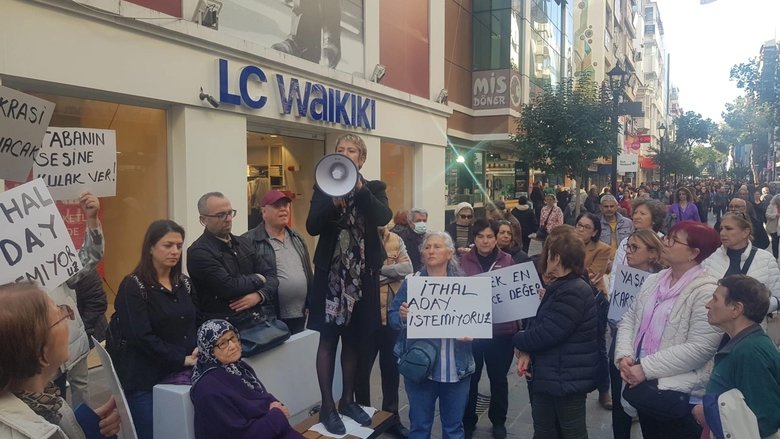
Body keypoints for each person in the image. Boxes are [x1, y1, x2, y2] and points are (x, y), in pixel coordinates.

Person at [306, 133, 393, 434]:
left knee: (354, 340)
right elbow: (312, 226)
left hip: (361, 278)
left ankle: (347, 400)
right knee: (328, 340)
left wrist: (359, 188)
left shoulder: (374, 188)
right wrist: (332, 204)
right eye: (340, 149)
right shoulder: (323, 187)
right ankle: (327, 405)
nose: (345, 153)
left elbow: (382, 216)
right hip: (332, 278)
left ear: (361, 159)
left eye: (351, 150)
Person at [615, 221, 722, 439]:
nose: (665, 243)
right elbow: (630, 319)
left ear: (693, 253)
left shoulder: (706, 291)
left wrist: (645, 368)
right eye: (667, 237)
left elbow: (700, 348)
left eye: (673, 240)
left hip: (678, 393)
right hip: (645, 386)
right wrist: (625, 356)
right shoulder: (654, 280)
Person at [107, 220, 198, 439]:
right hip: (145, 381)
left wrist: (197, 348)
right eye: (168, 245)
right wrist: (181, 358)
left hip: (182, 377)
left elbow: (195, 320)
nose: (175, 251)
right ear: (150, 247)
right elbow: (140, 336)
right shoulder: (133, 286)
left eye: (179, 246)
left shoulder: (184, 283)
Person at [0, 282, 120, 439]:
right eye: (59, 314)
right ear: (42, 353)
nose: (68, 317)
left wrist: (82, 428)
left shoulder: (46, 398)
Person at [513, 225, 599, 438]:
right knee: (545, 429)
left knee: (572, 431)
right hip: (553, 374)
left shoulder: (573, 291)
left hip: (566, 378)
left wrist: (517, 339)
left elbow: (547, 333)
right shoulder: (563, 286)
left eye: (548, 253)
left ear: (557, 258)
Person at [388, 231, 475, 439]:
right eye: (427, 247)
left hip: (456, 368)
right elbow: (392, 316)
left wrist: (472, 333)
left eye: (437, 246)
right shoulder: (412, 283)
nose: (431, 251)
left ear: (449, 253)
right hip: (421, 369)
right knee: (419, 427)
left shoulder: (464, 285)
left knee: (454, 428)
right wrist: (402, 316)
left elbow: (476, 320)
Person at [693, 276, 780, 438]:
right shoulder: (745, 344)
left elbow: (765, 420)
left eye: (715, 299)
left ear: (736, 309)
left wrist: (711, 414)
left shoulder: (750, 351)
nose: (708, 305)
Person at [190, 319, 305, 439]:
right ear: (209, 350)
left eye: (233, 338)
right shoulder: (208, 390)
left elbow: (261, 398)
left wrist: (275, 407)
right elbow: (238, 434)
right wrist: (276, 414)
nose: (233, 346)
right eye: (222, 343)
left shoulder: (238, 368)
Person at [460, 219, 518, 439]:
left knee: (499, 379)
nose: (485, 241)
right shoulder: (462, 261)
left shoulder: (508, 260)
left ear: (496, 238)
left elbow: (516, 292)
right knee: (471, 378)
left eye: (489, 236)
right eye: (480, 236)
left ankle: (498, 421)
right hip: (472, 331)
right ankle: (468, 420)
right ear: (474, 239)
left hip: (501, 332)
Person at [187, 192, 279, 327]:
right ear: (203, 220)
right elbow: (229, 287)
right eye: (220, 215)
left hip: (258, 320)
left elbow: (272, 276)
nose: (228, 219)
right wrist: (258, 278)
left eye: (230, 213)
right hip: (226, 328)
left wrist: (260, 295)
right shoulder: (199, 252)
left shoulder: (244, 243)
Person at [355, 226, 413, 438]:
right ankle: (364, 417)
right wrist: (391, 273)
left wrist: (377, 271)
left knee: (391, 371)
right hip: (366, 319)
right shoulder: (357, 239)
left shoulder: (395, 239)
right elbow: (358, 277)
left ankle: (391, 418)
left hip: (390, 317)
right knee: (361, 372)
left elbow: (407, 268)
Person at [51, 192, 105, 408]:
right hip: (39, 351)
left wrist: (92, 219)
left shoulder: (55, 262)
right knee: (52, 401)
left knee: (81, 391)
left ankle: (82, 425)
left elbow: (91, 256)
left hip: (72, 340)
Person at [609, 230, 665, 439]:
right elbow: (615, 313)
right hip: (621, 345)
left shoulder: (662, 280)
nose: (629, 251)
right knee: (619, 401)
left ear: (652, 253)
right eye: (628, 246)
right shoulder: (624, 275)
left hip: (649, 352)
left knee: (648, 408)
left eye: (635, 247)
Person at [243, 190, 313, 334]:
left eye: (286, 205)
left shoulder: (297, 237)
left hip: (300, 314)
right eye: (277, 206)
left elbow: (307, 272)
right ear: (264, 212)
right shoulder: (249, 240)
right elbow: (245, 278)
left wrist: (310, 302)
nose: (283, 209)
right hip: (269, 317)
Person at [702, 212, 780, 316]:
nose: (722, 233)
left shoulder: (766, 259)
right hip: (712, 324)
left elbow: (777, 298)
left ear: (745, 232)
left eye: (728, 229)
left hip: (750, 324)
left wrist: (749, 309)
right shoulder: (711, 257)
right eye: (721, 229)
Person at [574, 213, 613, 410]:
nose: (581, 229)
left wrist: (568, 272)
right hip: (570, 301)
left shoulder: (602, 249)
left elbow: (592, 275)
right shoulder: (567, 243)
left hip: (594, 300)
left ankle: (604, 390)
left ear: (595, 231)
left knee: (599, 346)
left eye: (586, 227)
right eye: (579, 225)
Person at [598, 195, 634, 264]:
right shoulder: (597, 224)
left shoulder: (628, 223)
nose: (609, 209)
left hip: (624, 263)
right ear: (600, 207)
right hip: (603, 263)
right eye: (606, 206)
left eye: (612, 206)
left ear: (617, 206)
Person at [393, 207, 428, 272]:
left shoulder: (428, 237)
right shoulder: (402, 237)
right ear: (410, 222)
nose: (422, 223)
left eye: (424, 220)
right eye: (418, 221)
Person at [766, 194, 780, 258]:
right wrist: (775, 215)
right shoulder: (771, 206)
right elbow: (767, 215)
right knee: (775, 243)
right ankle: (775, 257)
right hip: (774, 228)